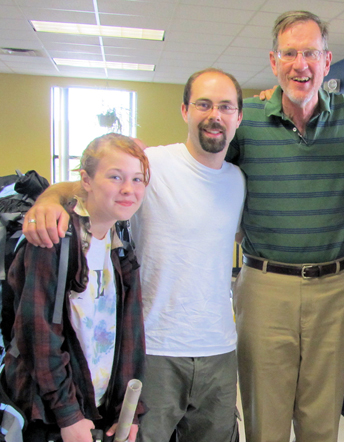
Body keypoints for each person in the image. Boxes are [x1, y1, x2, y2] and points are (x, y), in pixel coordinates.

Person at [22, 68, 247, 442]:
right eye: (203, 104)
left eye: (226, 106)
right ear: (184, 110)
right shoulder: (149, 165)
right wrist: (47, 200)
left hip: (219, 350)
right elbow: (83, 185)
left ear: (238, 116)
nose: (214, 115)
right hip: (152, 348)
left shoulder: (238, 181)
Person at [227, 10, 344, 442]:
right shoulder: (247, 120)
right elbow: (191, 166)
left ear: (328, 60)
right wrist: (64, 190)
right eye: (290, 54)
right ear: (274, 60)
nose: (301, 64)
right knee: (266, 420)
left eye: (311, 54)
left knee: (321, 422)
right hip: (265, 286)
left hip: (334, 288)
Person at [4, 133, 148, 442]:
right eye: (115, 177)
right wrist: (68, 416)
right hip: (53, 413)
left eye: (137, 179)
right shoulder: (54, 238)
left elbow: (130, 333)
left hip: (100, 408)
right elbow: (37, 333)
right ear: (86, 179)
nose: (128, 189)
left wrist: (128, 411)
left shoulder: (119, 242)